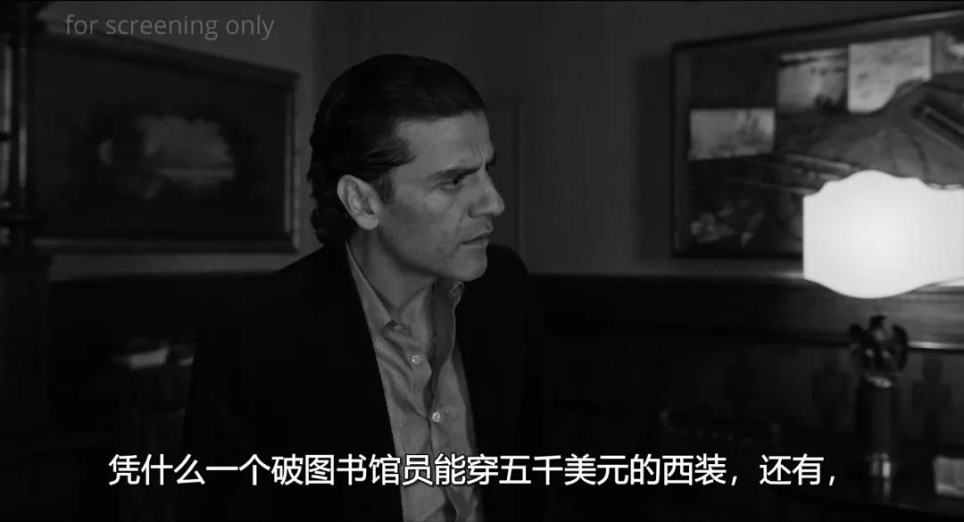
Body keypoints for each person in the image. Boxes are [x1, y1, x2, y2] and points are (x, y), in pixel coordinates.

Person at [179, 54, 549, 521]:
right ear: (363, 202)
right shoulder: (256, 334)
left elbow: (533, 468)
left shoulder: (502, 286)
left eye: (486, 170)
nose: (493, 202)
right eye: (454, 181)